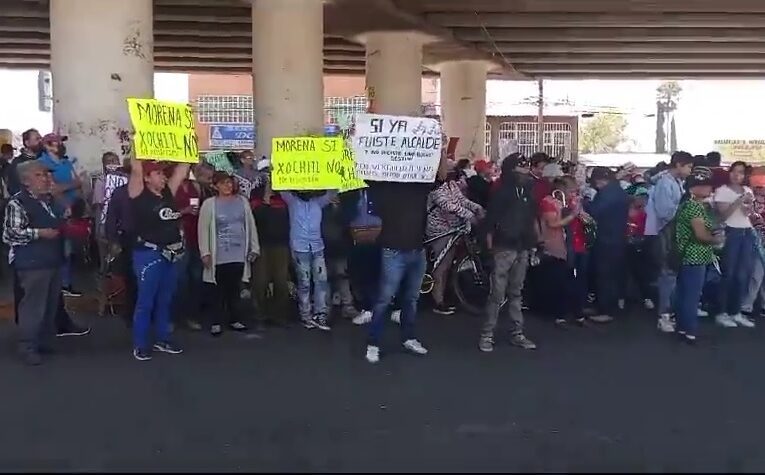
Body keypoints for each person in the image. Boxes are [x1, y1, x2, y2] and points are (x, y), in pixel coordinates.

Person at [363, 149, 449, 364]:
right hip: (393, 251)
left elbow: (442, 177)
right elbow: (365, 171)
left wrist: (441, 150)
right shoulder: (385, 186)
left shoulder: (419, 185)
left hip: (416, 250)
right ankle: (373, 343)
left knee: (411, 299)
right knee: (385, 299)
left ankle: (408, 338)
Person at [127, 159, 190, 361]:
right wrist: (138, 139)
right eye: (158, 174)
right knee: (146, 301)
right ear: (146, 178)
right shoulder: (138, 194)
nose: (163, 177)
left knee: (165, 299)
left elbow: (181, 171)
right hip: (149, 255)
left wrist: (190, 143)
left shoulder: (167, 193)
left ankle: (162, 338)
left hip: (171, 254)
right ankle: (140, 343)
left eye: (163, 174)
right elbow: (136, 167)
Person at [3, 160, 64, 365]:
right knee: (33, 306)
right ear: (26, 181)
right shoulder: (17, 203)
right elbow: (11, 233)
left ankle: (44, 341)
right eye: (40, 175)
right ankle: (28, 345)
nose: (47, 178)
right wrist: (39, 233)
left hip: (52, 259)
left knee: (49, 304)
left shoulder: (49, 201)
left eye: (47, 174)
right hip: (32, 262)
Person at [480, 153, 539, 352]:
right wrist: (489, 247)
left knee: (515, 292)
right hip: (504, 247)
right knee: (498, 294)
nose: (525, 171)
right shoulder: (503, 191)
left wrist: (532, 244)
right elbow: (490, 220)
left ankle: (514, 333)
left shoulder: (527, 192)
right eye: (521, 168)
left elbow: (531, 220)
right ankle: (488, 334)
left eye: (526, 167)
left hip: (519, 246)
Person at [198, 171, 260, 336]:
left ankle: (235, 319)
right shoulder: (209, 204)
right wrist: (205, 252)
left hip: (238, 252)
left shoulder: (242, 202)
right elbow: (203, 229)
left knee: (234, 288)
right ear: (216, 186)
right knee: (217, 290)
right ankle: (216, 321)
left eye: (229, 182)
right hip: (219, 253)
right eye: (223, 183)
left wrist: (254, 248)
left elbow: (250, 225)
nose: (228, 186)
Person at [645, 151, 694, 332]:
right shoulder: (665, 183)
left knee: (670, 274)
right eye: (688, 166)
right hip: (665, 232)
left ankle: (669, 311)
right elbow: (665, 213)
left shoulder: (674, 182)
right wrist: (686, 211)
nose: (690, 170)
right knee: (668, 274)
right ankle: (663, 315)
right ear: (679, 165)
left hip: (672, 232)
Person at [426, 168, 484, 315]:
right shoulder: (435, 189)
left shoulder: (451, 184)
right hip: (440, 231)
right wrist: (470, 215)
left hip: (453, 229)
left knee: (446, 266)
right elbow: (449, 206)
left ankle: (442, 297)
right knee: (441, 267)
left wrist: (477, 207)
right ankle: (437, 302)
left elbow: (462, 200)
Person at [674, 166, 721, 344]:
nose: (710, 189)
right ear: (695, 188)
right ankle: (690, 331)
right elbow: (701, 234)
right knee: (692, 296)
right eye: (706, 185)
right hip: (695, 255)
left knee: (685, 293)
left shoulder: (689, 204)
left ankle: (682, 328)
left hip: (687, 255)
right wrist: (716, 240)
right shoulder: (695, 208)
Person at [281, 190, 336, 331]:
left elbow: (332, 192)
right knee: (304, 283)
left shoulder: (318, 202)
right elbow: (282, 187)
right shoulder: (292, 202)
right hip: (300, 248)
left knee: (321, 281)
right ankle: (305, 315)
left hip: (317, 246)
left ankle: (320, 314)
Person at [538, 175, 587, 326]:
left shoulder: (569, 202)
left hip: (571, 245)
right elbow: (553, 223)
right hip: (555, 246)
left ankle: (576, 312)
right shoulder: (548, 201)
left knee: (572, 279)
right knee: (559, 281)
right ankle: (560, 314)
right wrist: (573, 214)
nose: (574, 193)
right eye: (572, 190)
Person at [38, 133, 83, 297]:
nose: (60, 145)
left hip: (71, 211)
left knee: (68, 249)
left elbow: (79, 183)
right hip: (55, 212)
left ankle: (65, 283)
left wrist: (65, 187)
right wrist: (66, 198)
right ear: (47, 145)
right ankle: (57, 284)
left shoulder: (66, 162)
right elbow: (52, 189)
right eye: (56, 142)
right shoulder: (42, 163)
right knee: (58, 248)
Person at [713, 161, 757, 328]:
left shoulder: (747, 190)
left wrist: (748, 205)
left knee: (742, 275)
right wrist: (739, 200)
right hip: (731, 231)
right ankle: (721, 312)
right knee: (728, 273)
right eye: (734, 171)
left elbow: (747, 213)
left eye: (740, 172)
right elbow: (723, 215)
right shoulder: (722, 191)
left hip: (746, 231)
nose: (736, 175)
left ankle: (735, 311)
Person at [586, 166, 629, 323]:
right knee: (610, 274)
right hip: (615, 238)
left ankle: (606, 309)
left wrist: (584, 203)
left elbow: (596, 211)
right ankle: (604, 306)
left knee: (605, 275)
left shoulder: (608, 194)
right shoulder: (617, 191)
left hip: (607, 238)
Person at [174, 163, 214, 331]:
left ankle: (192, 315)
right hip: (178, 238)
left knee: (196, 278)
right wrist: (185, 211)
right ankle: (177, 316)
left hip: (196, 236)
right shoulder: (172, 187)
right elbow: (166, 212)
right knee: (180, 280)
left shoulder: (195, 187)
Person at [251, 171, 292, 327]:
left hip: (281, 244)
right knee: (260, 281)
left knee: (281, 281)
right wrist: (266, 199)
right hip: (262, 243)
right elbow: (256, 216)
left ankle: (280, 315)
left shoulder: (286, 195)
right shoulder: (257, 194)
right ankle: (260, 314)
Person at [322, 194, 359, 320]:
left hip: (340, 244)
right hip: (323, 244)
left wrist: (338, 207)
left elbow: (349, 219)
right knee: (324, 278)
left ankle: (347, 307)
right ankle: (325, 309)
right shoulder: (319, 202)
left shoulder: (346, 201)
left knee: (343, 276)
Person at [624, 184, 655, 311]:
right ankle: (622, 297)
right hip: (626, 245)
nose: (643, 200)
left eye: (645, 198)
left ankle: (646, 297)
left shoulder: (646, 213)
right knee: (624, 272)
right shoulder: (624, 212)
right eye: (640, 197)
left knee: (642, 272)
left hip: (641, 245)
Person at [7, 128, 42, 197]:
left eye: (40, 138)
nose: (40, 141)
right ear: (27, 143)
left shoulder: (42, 160)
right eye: (37, 139)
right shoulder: (18, 163)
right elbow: (13, 188)